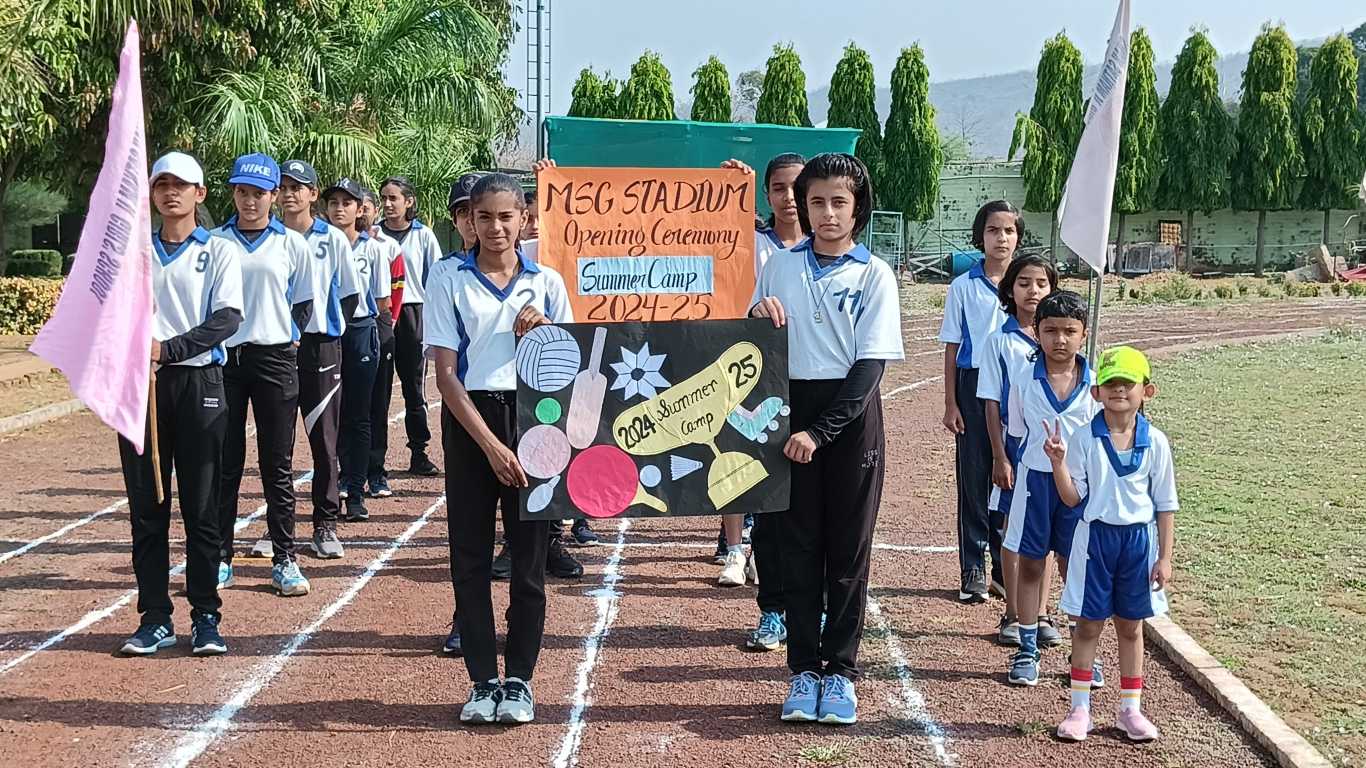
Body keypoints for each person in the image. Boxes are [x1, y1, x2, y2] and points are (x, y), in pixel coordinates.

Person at [750, 152, 904, 726]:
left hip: (848, 424)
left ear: (859, 206)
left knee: (846, 552)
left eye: (840, 201)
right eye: (817, 201)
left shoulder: (874, 274)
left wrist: (819, 432)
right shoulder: (780, 266)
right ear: (802, 206)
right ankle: (802, 671)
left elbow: (869, 370)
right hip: (790, 415)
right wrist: (757, 316)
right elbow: (755, 343)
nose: (828, 212)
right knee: (797, 549)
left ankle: (839, 671)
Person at [424, 172, 573, 725]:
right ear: (469, 220)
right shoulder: (448, 277)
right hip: (471, 425)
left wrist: (547, 331)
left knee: (530, 560)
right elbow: (445, 375)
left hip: (533, 420)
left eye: (506, 216)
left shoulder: (548, 283)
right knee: (469, 557)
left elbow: (570, 363)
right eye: (483, 216)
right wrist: (490, 446)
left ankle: (520, 680)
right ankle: (483, 679)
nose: (495, 227)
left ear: (524, 220)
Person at [118, 152, 242, 656]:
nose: (170, 192)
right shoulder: (134, 253)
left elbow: (226, 320)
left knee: (201, 507)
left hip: (199, 385)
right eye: (161, 184)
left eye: (181, 185)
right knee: (147, 507)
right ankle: (154, 617)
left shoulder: (219, 251)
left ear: (199, 193)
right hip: (142, 389)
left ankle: (206, 615)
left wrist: (166, 350)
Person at [1043, 346, 1176, 742]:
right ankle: (1079, 709)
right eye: (1110, 383)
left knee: (1131, 628)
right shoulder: (1083, 437)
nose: (1118, 390)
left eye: (1127, 383)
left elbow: (1165, 504)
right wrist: (1057, 463)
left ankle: (1130, 710)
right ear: (1096, 392)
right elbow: (1072, 498)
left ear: (1146, 391)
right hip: (1094, 541)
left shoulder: (1156, 442)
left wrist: (1165, 558)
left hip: (1138, 544)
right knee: (1087, 625)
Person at [213, 153, 313, 598]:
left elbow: (304, 302)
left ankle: (285, 558)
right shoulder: (216, 243)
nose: (249, 201)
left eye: (258, 193)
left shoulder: (292, 244)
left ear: (274, 196)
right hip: (225, 363)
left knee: (277, 464)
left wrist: (288, 337)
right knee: (224, 462)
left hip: (274, 359)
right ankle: (220, 556)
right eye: (242, 192)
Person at [1002, 290, 1099, 687]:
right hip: (1035, 483)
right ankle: (1027, 649)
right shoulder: (1024, 377)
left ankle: (1083, 654)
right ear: (1037, 332)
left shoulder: (1095, 384)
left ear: (1084, 334)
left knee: (1075, 566)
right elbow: (1017, 428)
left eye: (1070, 331)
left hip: (1079, 488)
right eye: (1051, 330)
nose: (1060, 340)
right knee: (1031, 563)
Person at [974, 253, 1060, 647]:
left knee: (1045, 533)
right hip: (1015, 446)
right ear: (1010, 289)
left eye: (1041, 283)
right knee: (1012, 530)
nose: (1033, 291)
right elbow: (991, 402)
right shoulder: (1000, 342)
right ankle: (1012, 611)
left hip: (1052, 451)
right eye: (1024, 283)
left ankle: (1040, 612)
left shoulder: (1059, 340)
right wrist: (999, 455)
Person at [279, 159, 361, 559]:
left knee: (324, 440)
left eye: (298, 187)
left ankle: (325, 523)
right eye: (283, 187)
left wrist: (327, 329)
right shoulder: (270, 236)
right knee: (277, 443)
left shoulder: (332, 238)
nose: (289, 194)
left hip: (320, 348)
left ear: (312, 194)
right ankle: (278, 526)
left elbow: (350, 294)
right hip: (277, 350)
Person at [740, 152, 806, 649]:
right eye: (778, 188)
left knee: (817, 512)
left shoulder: (834, 250)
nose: (789, 198)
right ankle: (773, 610)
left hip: (815, 392)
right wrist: (728, 194)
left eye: (797, 187)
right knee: (768, 508)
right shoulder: (750, 245)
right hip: (762, 389)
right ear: (766, 194)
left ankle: (815, 609)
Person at [940, 200, 1018, 604]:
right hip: (972, 388)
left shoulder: (1027, 284)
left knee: (1012, 477)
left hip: (1017, 389)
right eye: (993, 230)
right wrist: (950, 402)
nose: (1001, 238)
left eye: (1009, 231)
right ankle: (973, 567)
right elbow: (952, 347)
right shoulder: (963, 286)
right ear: (980, 236)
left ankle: (1006, 568)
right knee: (973, 478)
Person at [326, 178, 395, 522]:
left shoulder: (374, 249)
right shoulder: (318, 245)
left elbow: (382, 300)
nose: (339, 208)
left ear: (359, 209)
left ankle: (356, 491)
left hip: (360, 330)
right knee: (329, 412)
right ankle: (335, 481)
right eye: (334, 202)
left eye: (347, 203)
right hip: (326, 334)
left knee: (359, 412)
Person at [378, 177, 443, 480]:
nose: (388, 204)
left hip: (413, 312)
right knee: (377, 389)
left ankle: (419, 452)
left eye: (394, 198)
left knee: (414, 387)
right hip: (382, 312)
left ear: (409, 201)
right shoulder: (374, 234)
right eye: (384, 198)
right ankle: (374, 458)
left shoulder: (423, 235)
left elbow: (435, 278)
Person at [362, 189, 407, 499]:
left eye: (366, 206)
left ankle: (376, 472)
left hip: (380, 326)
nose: (362, 212)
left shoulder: (388, 247)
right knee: (348, 407)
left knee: (378, 403)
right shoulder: (335, 244)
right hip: (346, 332)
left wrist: (391, 320)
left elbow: (397, 287)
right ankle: (346, 472)